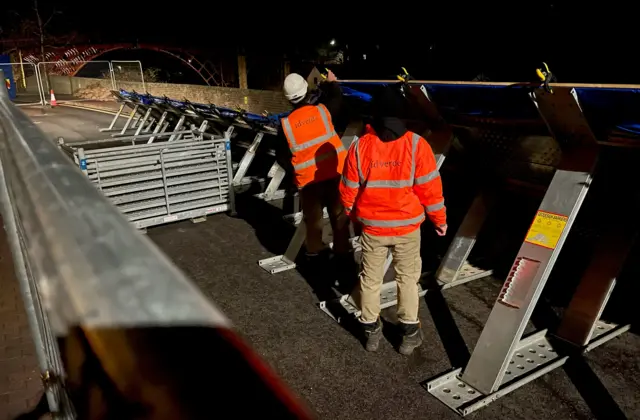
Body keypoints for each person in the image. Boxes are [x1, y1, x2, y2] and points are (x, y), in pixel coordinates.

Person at [339, 85, 447, 355]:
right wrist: (439, 220)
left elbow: (348, 191)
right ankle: (409, 336)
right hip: (407, 229)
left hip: (373, 228)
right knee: (407, 279)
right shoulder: (416, 145)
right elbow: (430, 190)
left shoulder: (360, 147)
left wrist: (355, 216)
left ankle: (371, 332)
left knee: (370, 279)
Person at [279, 70, 352, 270]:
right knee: (339, 218)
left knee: (313, 222)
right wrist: (331, 83)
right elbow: (338, 100)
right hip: (334, 175)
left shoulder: (285, 125)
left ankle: (314, 256)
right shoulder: (322, 111)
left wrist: (295, 171)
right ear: (307, 88)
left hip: (309, 183)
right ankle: (342, 255)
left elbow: (282, 157)